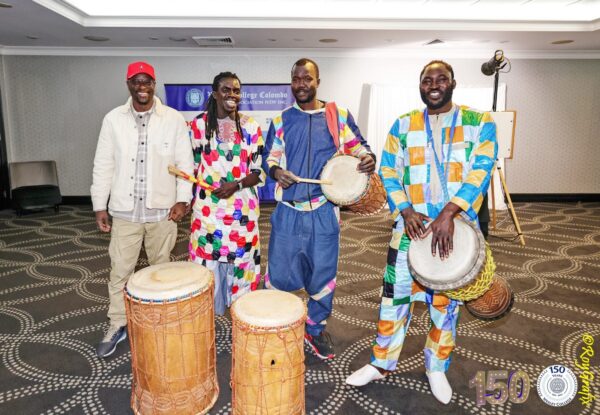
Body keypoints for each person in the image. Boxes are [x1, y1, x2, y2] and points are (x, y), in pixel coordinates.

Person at [346, 60, 497, 404]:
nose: (434, 84)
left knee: (445, 306)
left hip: (454, 231)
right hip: (408, 230)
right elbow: (387, 169)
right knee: (393, 300)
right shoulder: (403, 125)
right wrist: (405, 209)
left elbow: (481, 170)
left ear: (453, 83)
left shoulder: (479, 122)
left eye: (441, 78)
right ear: (420, 85)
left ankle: (436, 366)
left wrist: (448, 213)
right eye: (427, 79)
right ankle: (381, 363)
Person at [263, 58, 376, 360]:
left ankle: (314, 329)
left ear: (318, 81)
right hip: (288, 210)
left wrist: (367, 158)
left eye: (307, 78)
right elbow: (269, 159)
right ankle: (277, 325)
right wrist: (276, 173)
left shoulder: (337, 116)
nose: (301, 84)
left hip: (325, 212)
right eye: (296, 78)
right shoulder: (281, 120)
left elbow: (359, 147)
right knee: (279, 273)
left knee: (323, 274)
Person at [91, 61, 194, 358]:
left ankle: (158, 322)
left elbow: (185, 164)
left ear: (154, 83)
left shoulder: (173, 119)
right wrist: (100, 205)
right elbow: (103, 164)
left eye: (146, 81)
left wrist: (182, 200)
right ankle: (117, 323)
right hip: (125, 212)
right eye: (136, 81)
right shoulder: (113, 120)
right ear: (128, 85)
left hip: (162, 212)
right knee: (119, 273)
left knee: (161, 272)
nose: (142, 86)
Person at [189, 72, 265, 314]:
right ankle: (205, 319)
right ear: (214, 93)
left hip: (242, 212)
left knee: (243, 266)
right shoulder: (198, 126)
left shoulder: (251, 127)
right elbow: (191, 165)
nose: (232, 95)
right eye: (226, 89)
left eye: (236, 91)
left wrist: (236, 184)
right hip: (208, 215)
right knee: (206, 268)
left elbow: (259, 171)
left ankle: (243, 318)